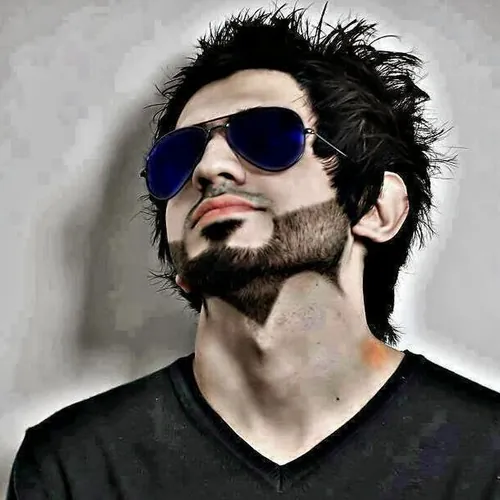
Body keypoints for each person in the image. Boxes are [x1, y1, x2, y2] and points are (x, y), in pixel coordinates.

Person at [7, 4, 500, 499]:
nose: (209, 167)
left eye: (266, 136)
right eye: (177, 158)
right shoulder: (74, 465)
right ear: (179, 264)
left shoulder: (486, 454)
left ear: (376, 206)